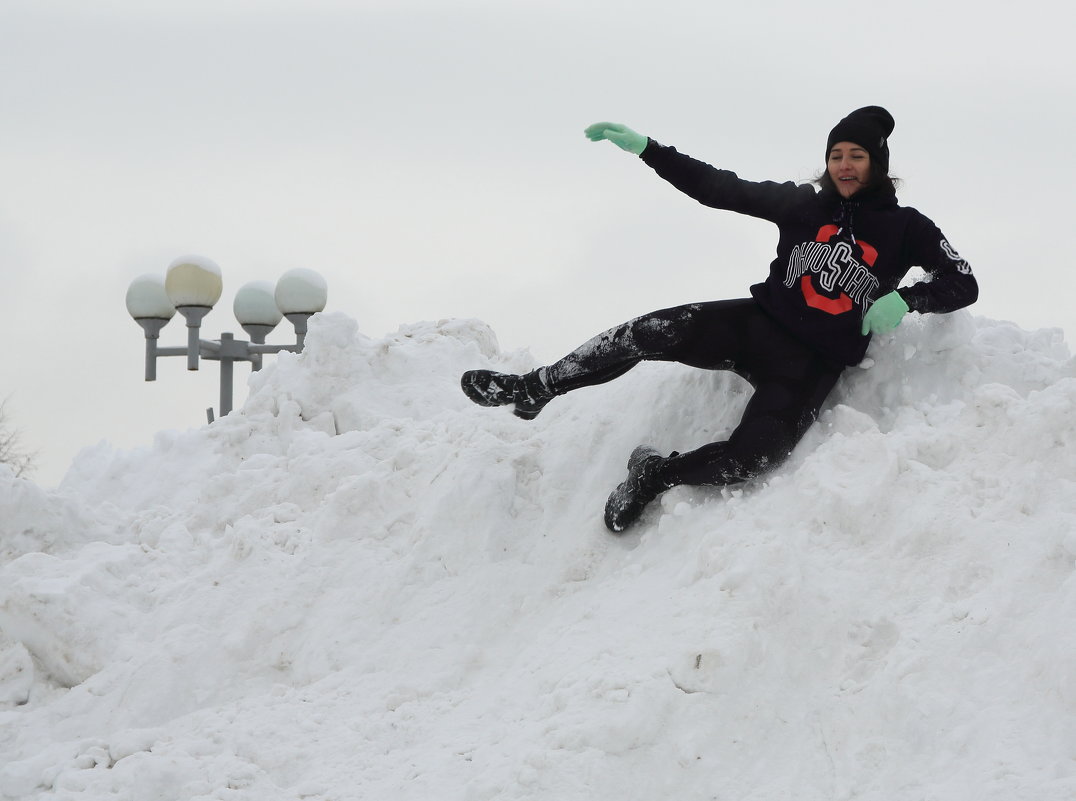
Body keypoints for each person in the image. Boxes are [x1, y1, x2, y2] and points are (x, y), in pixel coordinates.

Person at [461, 107, 978, 532]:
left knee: (754, 458)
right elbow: (718, 188)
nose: (844, 165)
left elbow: (963, 282)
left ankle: (654, 476)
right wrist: (648, 149)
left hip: (811, 363)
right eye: (836, 155)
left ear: (877, 164)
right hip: (757, 325)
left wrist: (909, 301)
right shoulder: (801, 204)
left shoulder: (908, 228)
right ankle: (535, 388)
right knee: (647, 332)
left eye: (856, 156)